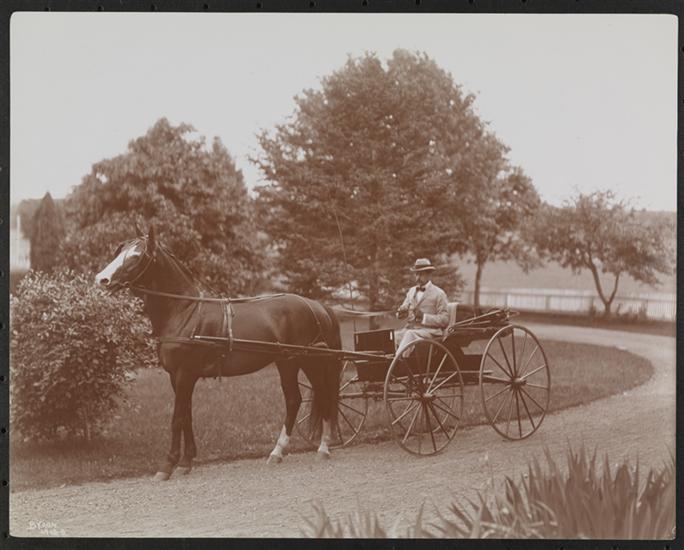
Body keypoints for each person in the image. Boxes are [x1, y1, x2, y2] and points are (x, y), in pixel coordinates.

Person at [396, 258, 449, 352]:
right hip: (412, 329)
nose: (417, 277)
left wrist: (424, 317)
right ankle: (388, 359)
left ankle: (398, 360)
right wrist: (401, 313)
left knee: (409, 334)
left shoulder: (439, 293)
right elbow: (402, 311)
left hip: (430, 332)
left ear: (428, 274)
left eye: (421, 274)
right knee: (393, 336)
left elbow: (445, 319)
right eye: (416, 274)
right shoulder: (411, 291)